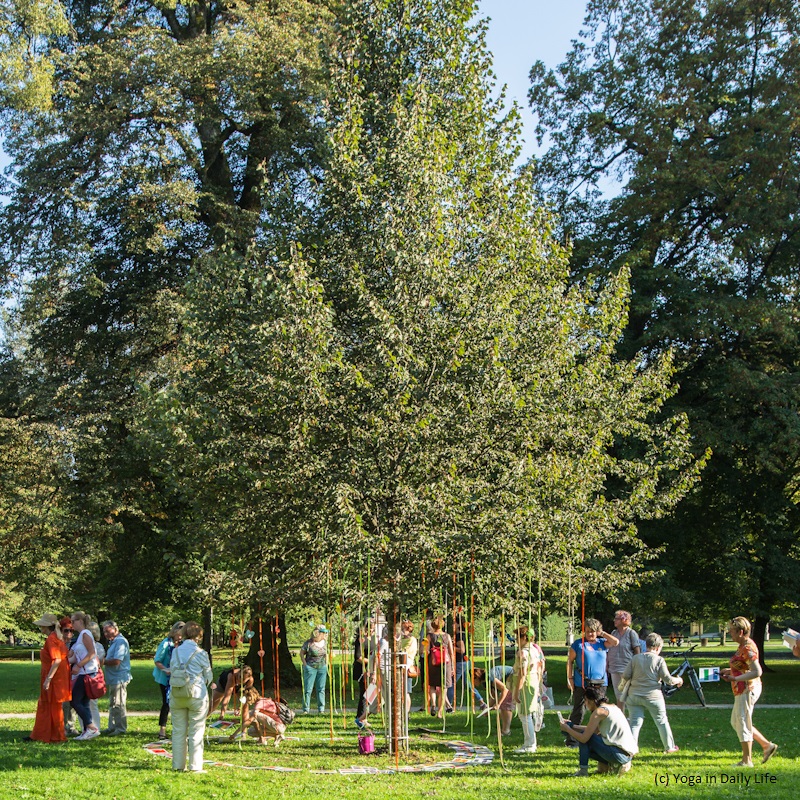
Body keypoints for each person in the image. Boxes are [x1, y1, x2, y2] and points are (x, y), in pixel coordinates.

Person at [721, 616, 778, 767]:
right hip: (741, 689)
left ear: (740, 632)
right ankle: (767, 746)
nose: (730, 633)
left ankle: (747, 760)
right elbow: (745, 667)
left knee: (742, 722)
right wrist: (730, 671)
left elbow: (757, 671)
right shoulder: (742, 646)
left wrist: (734, 678)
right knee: (737, 722)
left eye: (732, 631)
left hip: (747, 689)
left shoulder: (748, 647)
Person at [622, 633, 682, 752]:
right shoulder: (659, 660)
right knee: (661, 721)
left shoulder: (635, 658)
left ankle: (631, 749)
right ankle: (669, 747)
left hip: (634, 695)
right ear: (658, 647)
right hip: (653, 696)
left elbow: (625, 675)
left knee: (634, 723)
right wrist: (679, 680)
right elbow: (668, 680)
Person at [560, 685, 638, 777]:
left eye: (586, 701)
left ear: (591, 700)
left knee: (585, 738)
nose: (585, 704)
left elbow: (584, 738)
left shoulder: (598, 712)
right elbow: (594, 730)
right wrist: (573, 726)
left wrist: (568, 729)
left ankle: (583, 771)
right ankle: (613, 765)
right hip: (627, 755)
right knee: (589, 737)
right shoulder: (613, 707)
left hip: (619, 755)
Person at [566, 618, 619, 745]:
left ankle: (599, 737)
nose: (590, 634)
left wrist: (602, 633)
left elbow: (616, 642)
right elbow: (570, 662)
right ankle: (572, 740)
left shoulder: (602, 643)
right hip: (582, 682)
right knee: (579, 710)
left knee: (600, 710)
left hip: (600, 683)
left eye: (593, 631)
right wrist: (569, 678)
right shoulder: (578, 644)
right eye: (588, 631)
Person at [170, 620, 213, 773]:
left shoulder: (175, 651)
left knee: (178, 731)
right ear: (199, 636)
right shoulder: (201, 653)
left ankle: (178, 765)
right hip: (196, 694)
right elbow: (209, 676)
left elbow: (172, 669)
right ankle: (195, 766)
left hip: (177, 693)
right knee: (196, 731)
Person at [25, 613, 71, 743]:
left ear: (46, 626)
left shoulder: (52, 639)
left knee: (50, 705)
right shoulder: (57, 638)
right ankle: (44, 734)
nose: (40, 627)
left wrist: (48, 679)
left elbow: (57, 660)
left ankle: (52, 735)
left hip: (53, 677)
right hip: (57, 676)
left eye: (42, 625)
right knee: (51, 706)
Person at [67, 611, 101, 741]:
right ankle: (87, 731)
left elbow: (92, 653)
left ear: (80, 621)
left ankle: (92, 728)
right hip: (84, 672)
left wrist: (78, 665)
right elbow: (75, 656)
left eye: (73, 621)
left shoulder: (85, 634)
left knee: (74, 700)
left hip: (87, 672)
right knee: (84, 702)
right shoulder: (80, 636)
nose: (72, 624)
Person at [512, 625, 545, 754]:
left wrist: (517, 691)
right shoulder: (535, 650)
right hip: (533, 682)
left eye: (517, 637)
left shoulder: (523, 652)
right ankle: (530, 743)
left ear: (524, 638)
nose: (516, 640)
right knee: (527, 714)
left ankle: (530, 744)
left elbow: (522, 672)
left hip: (526, 684)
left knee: (524, 715)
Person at [153, 621, 185, 740]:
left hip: (179, 678)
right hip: (165, 678)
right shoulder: (166, 643)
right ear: (174, 632)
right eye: (179, 634)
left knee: (179, 703)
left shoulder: (183, 645)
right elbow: (157, 660)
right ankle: (162, 730)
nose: (180, 637)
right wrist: (166, 669)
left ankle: (179, 729)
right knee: (167, 703)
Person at [448, 616, 486, 712]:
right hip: (465, 662)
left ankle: (449, 706)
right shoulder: (463, 634)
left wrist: (450, 646)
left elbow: (462, 650)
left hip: (460, 663)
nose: (452, 625)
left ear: (458, 625)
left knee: (451, 683)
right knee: (468, 684)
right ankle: (482, 702)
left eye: (454, 623)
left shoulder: (459, 635)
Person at [102, 620, 131, 736]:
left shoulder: (120, 642)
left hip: (119, 678)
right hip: (113, 678)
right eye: (104, 632)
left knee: (118, 703)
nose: (106, 634)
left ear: (115, 629)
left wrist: (102, 661)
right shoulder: (114, 642)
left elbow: (117, 661)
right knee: (113, 702)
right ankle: (112, 727)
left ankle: (120, 728)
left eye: (108, 631)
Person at [606, 610, 640, 709]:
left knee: (628, 694)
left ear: (624, 620)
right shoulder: (614, 633)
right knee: (619, 695)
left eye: (617, 619)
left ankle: (633, 715)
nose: (614, 620)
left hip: (626, 668)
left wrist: (636, 666)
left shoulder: (631, 633)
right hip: (614, 668)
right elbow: (609, 649)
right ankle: (622, 716)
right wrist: (607, 664)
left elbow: (637, 651)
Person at [426, 616, 455, 718]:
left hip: (433, 663)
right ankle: (440, 712)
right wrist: (452, 667)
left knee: (432, 686)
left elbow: (426, 651)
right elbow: (451, 653)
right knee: (444, 688)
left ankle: (433, 704)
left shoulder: (429, 636)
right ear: (442, 625)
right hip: (446, 664)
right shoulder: (447, 636)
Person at [474, 665, 514, 735]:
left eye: (472, 681)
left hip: (513, 676)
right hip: (507, 681)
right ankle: (505, 730)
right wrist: (487, 709)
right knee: (503, 704)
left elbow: (504, 690)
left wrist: (498, 704)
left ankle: (506, 731)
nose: (473, 684)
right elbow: (493, 695)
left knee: (506, 704)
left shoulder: (489, 677)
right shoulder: (485, 682)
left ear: (476, 677)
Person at [300, 626, 329, 714]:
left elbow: (326, 654)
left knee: (321, 688)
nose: (325, 635)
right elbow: (301, 653)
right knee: (308, 689)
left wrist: (326, 664)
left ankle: (321, 709)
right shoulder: (309, 643)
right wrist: (305, 665)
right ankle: (306, 709)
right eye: (323, 633)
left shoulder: (325, 643)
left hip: (322, 667)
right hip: (310, 667)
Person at [87, 621, 105, 731]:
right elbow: (101, 663)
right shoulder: (99, 646)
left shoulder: (88, 646)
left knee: (86, 703)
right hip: (95, 676)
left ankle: (88, 727)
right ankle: (95, 727)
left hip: (88, 676)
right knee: (93, 704)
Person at [400, 619, 419, 714]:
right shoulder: (401, 639)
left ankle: (406, 712)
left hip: (407, 665)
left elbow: (408, 653)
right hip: (399, 665)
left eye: (402, 628)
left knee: (406, 691)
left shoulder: (412, 640)